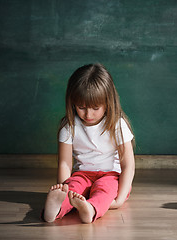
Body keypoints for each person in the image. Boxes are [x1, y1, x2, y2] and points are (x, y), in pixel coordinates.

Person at [43, 63, 135, 224]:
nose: (88, 114)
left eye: (95, 108)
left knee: (105, 190)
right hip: (83, 175)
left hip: (110, 175)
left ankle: (90, 209)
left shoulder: (117, 124)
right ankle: (55, 210)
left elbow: (128, 165)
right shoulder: (69, 126)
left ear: (108, 102)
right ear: (72, 102)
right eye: (81, 107)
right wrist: (64, 189)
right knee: (73, 187)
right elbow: (64, 164)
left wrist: (120, 199)